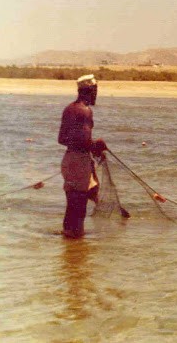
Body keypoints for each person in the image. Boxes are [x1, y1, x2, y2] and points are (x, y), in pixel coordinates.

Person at [58, 74, 107, 239]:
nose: (96, 95)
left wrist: (90, 145)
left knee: (72, 206)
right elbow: (85, 142)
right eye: (95, 91)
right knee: (78, 208)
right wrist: (97, 145)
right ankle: (76, 251)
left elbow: (62, 139)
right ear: (90, 91)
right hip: (79, 162)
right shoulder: (85, 111)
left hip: (68, 160)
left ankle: (69, 247)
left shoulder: (69, 108)